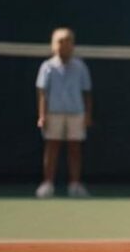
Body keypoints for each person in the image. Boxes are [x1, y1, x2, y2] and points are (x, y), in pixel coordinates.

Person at [35, 27, 93, 198]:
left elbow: (87, 93)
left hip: (76, 114)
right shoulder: (47, 67)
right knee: (52, 148)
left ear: (73, 45)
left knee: (75, 149)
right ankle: (48, 184)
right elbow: (43, 93)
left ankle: (75, 184)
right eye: (60, 41)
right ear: (53, 46)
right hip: (53, 113)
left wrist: (87, 115)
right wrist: (42, 115)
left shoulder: (81, 67)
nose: (64, 45)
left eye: (68, 41)